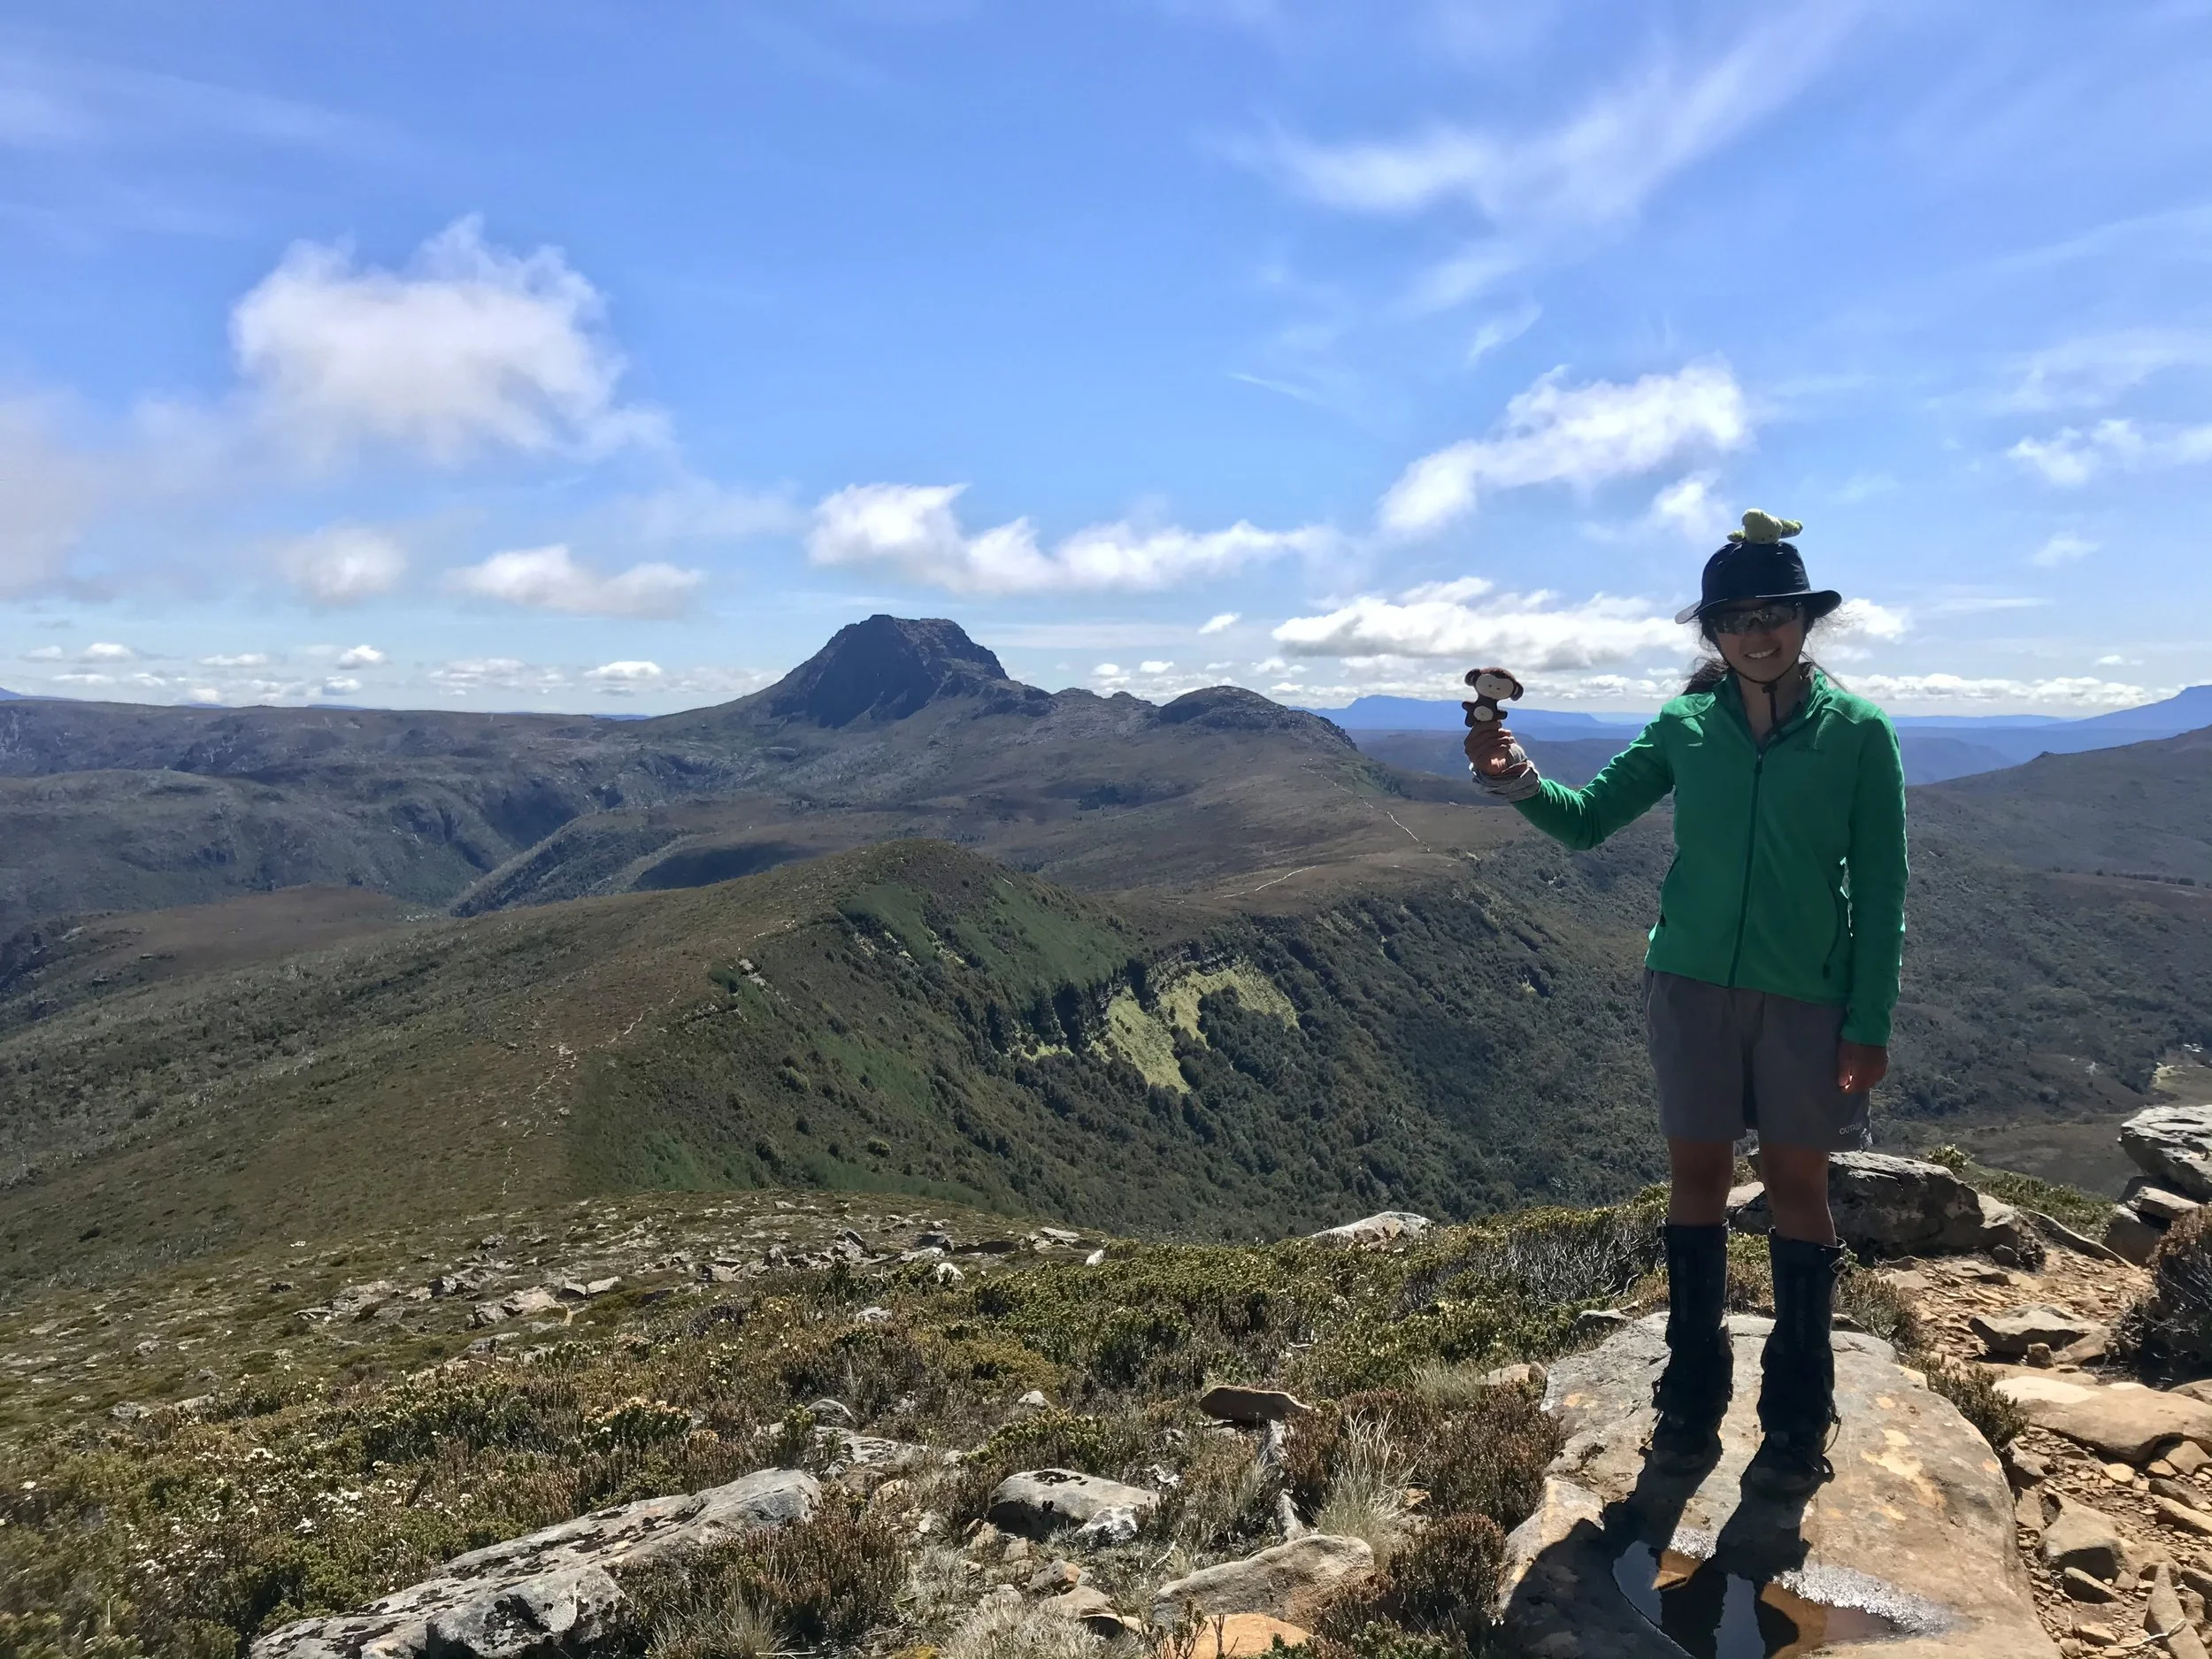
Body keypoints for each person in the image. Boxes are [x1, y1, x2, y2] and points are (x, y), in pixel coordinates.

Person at [1463, 510, 1908, 1501]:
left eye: (1776, 615)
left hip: (1806, 997)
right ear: (1712, 633)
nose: (1759, 634)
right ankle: (1690, 1395)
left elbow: (1882, 892)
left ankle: (1797, 1411)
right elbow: (1585, 823)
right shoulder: (1685, 727)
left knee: (1799, 1189)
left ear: (1803, 622)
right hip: (1691, 987)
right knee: (1696, 1179)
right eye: (1737, 618)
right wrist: (1517, 780)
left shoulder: (1859, 734)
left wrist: (1868, 1021)